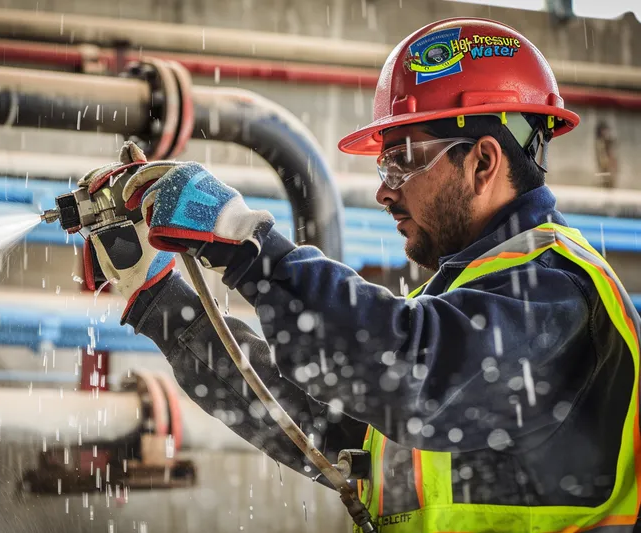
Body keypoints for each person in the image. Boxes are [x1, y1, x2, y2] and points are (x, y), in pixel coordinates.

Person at [89, 18, 641, 532]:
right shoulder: (463, 304)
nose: (384, 190)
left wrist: (248, 243)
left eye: (402, 159)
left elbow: (411, 373)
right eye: (384, 165)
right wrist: (158, 298)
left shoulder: (557, 293)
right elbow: (308, 419)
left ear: (483, 163)